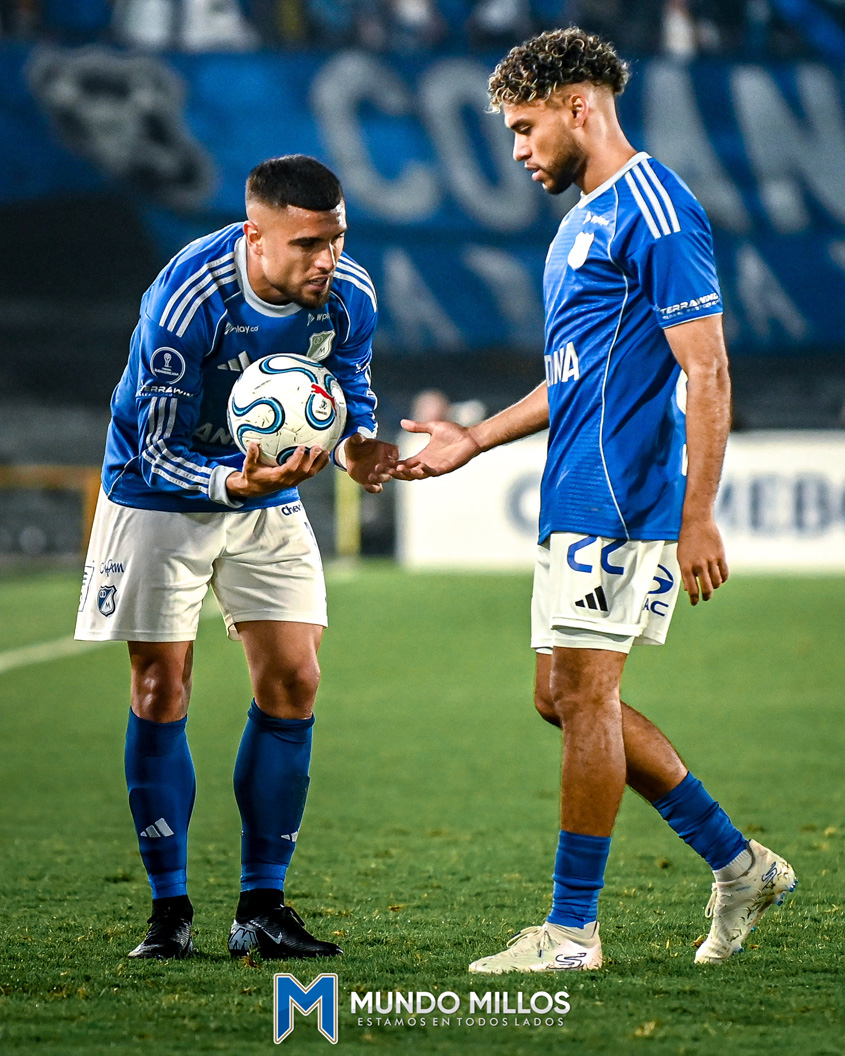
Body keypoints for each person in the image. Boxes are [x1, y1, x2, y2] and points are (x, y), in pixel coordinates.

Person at [390, 28, 796, 971]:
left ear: (578, 107)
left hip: (620, 495)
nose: (518, 152)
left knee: (583, 696)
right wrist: (473, 438)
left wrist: (697, 513)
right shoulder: (581, 221)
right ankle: (739, 866)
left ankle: (572, 931)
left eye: (523, 129)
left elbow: (707, 369)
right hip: (575, 489)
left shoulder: (656, 211)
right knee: (561, 698)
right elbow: (570, 375)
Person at [75, 154, 397, 961]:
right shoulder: (189, 298)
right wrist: (231, 480)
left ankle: (262, 906)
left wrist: (357, 443)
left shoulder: (349, 293)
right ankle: (169, 911)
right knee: (162, 686)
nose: (326, 259)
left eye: (335, 239)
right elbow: (154, 449)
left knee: (295, 678)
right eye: (306, 244)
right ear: (255, 236)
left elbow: (349, 384)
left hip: (266, 495)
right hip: (159, 497)